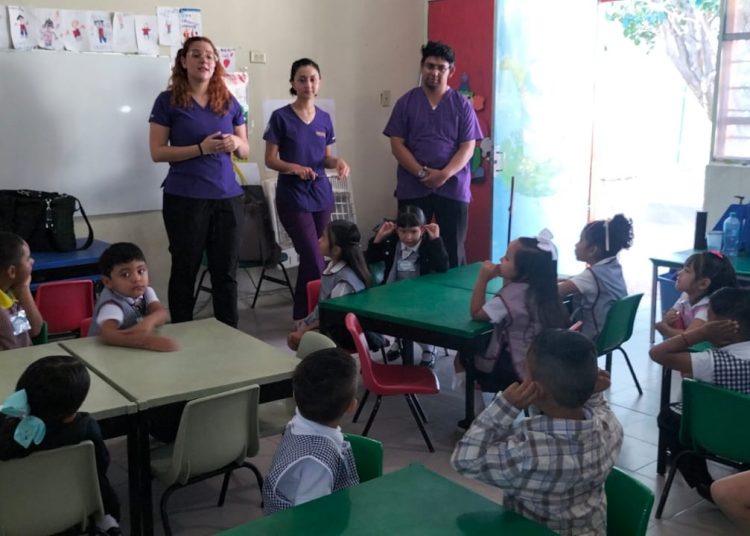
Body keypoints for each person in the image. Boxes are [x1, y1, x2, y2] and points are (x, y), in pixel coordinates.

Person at [451, 329, 623, 536]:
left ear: (536, 388)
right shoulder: (610, 426)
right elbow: (598, 405)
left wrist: (505, 406)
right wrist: (590, 391)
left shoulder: (528, 453)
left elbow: (464, 460)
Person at [149, 36, 249, 328]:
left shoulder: (228, 101)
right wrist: (201, 149)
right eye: (196, 55)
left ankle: (229, 335)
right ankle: (183, 335)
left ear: (215, 63)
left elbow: (245, 150)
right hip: (185, 199)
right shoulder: (167, 101)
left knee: (226, 273)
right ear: (183, 61)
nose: (204, 60)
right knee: (185, 270)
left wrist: (235, 143)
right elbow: (157, 152)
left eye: (209, 55)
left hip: (228, 198)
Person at [383, 40, 483, 268]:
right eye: (430, 66)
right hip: (413, 185)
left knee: (453, 247)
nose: (435, 72)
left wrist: (444, 174)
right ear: (422, 66)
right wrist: (420, 173)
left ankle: (454, 292)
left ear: (451, 71)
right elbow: (397, 144)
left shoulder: (462, 105)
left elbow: (468, 147)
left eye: (441, 68)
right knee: (410, 248)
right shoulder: (406, 103)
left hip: (452, 186)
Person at [264, 58, 350, 321]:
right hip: (293, 196)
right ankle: (316, 315)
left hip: (321, 194)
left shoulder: (324, 118)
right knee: (313, 256)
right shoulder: (280, 117)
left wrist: (338, 162)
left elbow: (326, 158)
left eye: (312, 79)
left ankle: (303, 315)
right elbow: (270, 159)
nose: (308, 84)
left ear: (319, 82)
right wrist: (294, 168)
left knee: (315, 254)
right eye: (302, 79)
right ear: (293, 83)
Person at [0, 355, 122, 535]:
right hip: (73, 516)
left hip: (10, 520)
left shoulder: (7, 428)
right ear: (76, 402)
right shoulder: (85, 428)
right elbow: (101, 465)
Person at [650, 287, 750, 502]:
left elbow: (657, 353)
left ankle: (706, 485)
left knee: (669, 416)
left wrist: (701, 333)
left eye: (708, 319)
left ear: (728, 327)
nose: (705, 323)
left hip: (725, 440)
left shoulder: (712, 362)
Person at [470, 230, 569, 398]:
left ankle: (478, 410)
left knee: (463, 357)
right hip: (544, 365)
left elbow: (476, 313)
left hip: (513, 369)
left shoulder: (509, 298)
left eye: (507, 258)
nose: (501, 259)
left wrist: (483, 279)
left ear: (524, 270)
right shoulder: (547, 291)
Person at [263, 347, 359, 514]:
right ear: (352, 406)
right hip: (300, 523)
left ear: (295, 395)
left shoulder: (297, 424)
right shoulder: (317, 464)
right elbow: (312, 518)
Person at [365, 205, 449, 366]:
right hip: (394, 292)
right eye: (403, 231)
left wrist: (436, 240)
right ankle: (400, 340)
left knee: (417, 318)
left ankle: (428, 348)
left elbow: (443, 266)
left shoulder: (428, 244)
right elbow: (371, 259)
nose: (408, 237)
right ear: (397, 229)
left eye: (413, 231)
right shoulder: (392, 242)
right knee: (393, 317)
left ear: (422, 230)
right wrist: (379, 237)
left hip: (423, 295)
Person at [287, 220, 370, 351]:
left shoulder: (344, 282)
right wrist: (305, 323)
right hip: (326, 323)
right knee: (295, 336)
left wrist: (305, 330)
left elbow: (334, 318)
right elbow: (322, 309)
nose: (319, 240)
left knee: (294, 340)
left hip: (339, 333)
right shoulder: (333, 267)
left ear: (336, 250)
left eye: (324, 238)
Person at [89, 242, 178, 352]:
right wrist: (144, 341)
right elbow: (107, 335)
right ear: (108, 282)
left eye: (141, 271)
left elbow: (162, 313)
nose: (137, 278)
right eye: (125, 274)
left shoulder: (146, 291)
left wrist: (148, 323)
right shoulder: (111, 305)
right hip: (101, 354)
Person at [558, 214, 634, 341]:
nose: (576, 245)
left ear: (592, 250)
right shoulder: (613, 265)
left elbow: (554, 291)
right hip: (611, 336)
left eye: (581, 240)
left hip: (590, 338)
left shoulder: (590, 276)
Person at [655, 251, 737, 338]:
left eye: (686, 271)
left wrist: (665, 329)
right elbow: (672, 312)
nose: (678, 273)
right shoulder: (686, 296)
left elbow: (688, 338)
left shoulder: (707, 308)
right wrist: (668, 319)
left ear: (703, 284)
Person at [0, 232, 43, 350]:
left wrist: (23, 288)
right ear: (12, 272)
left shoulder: (9, 292)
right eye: (28, 258)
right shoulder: (2, 312)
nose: (32, 261)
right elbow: (19, 346)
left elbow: (33, 330)